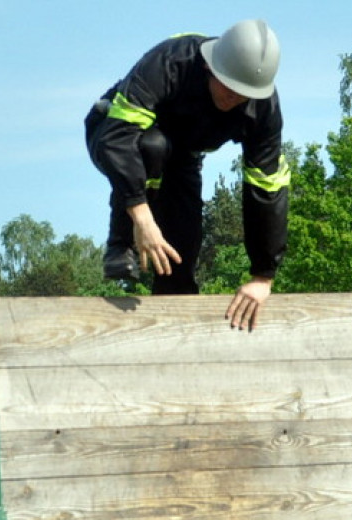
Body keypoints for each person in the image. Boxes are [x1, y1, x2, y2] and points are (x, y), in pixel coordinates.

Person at [85, 19, 288, 332]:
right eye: (228, 85)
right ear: (210, 67)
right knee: (153, 146)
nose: (234, 97)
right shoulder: (171, 61)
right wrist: (143, 218)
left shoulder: (263, 109)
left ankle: (173, 335)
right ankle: (121, 243)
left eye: (243, 93)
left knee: (181, 251)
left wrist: (263, 276)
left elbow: (267, 189)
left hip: (182, 157)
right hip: (115, 133)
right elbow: (118, 138)